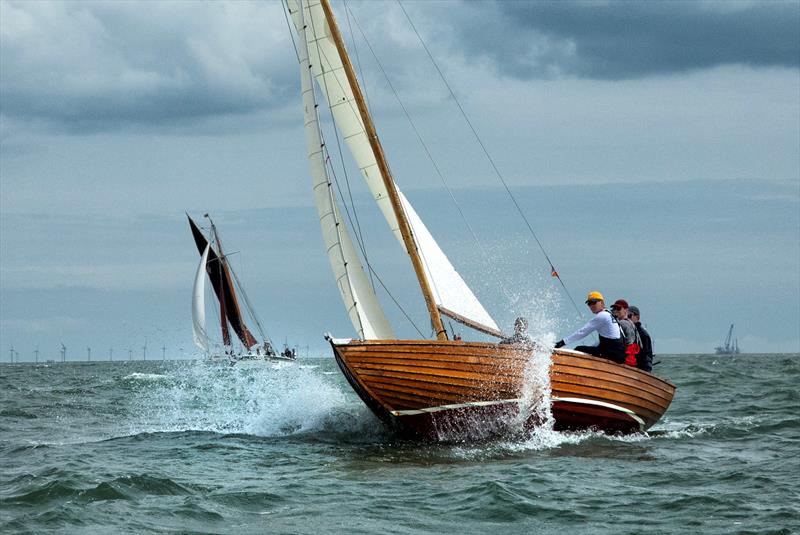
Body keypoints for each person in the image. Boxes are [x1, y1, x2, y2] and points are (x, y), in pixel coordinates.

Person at [554, 291, 626, 363]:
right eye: (589, 303)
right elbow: (607, 339)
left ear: (601, 302)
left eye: (594, 302)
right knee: (590, 349)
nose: (591, 306)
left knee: (578, 348)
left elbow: (582, 332)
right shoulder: (609, 314)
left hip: (613, 355)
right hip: (619, 355)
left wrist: (561, 343)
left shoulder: (602, 316)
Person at [610, 299, 641, 366]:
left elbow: (628, 343)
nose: (616, 311)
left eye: (618, 308)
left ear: (626, 310)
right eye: (614, 308)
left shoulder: (622, 324)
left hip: (624, 359)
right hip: (630, 360)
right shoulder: (631, 323)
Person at [629, 306, 653, 372]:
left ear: (638, 317)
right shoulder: (629, 331)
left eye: (629, 315)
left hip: (643, 368)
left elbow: (644, 354)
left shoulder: (642, 334)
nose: (627, 318)